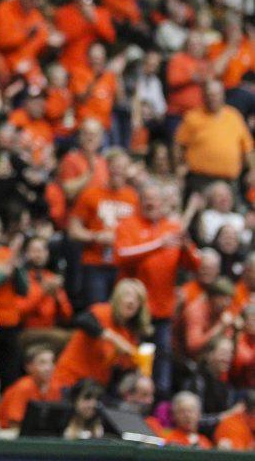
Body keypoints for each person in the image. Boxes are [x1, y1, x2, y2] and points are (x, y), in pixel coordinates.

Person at [114, 183, 199, 395]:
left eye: (155, 199)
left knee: (162, 358)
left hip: (162, 308)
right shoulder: (128, 225)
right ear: (140, 202)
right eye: (147, 198)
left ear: (163, 204)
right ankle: (126, 397)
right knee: (131, 358)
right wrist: (158, 244)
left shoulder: (172, 227)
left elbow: (194, 265)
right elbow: (121, 255)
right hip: (134, 310)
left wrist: (186, 244)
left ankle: (159, 404)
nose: (151, 203)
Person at [51, 278, 151, 391]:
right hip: (70, 379)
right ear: (118, 298)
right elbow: (80, 320)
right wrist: (112, 337)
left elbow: (120, 368)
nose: (131, 301)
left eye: (137, 299)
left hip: (95, 388)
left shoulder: (131, 334)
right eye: (127, 295)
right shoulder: (102, 311)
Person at [68, 148, 139, 305]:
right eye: (114, 166)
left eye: (122, 167)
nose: (118, 171)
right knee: (97, 311)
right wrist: (95, 236)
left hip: (123, 265)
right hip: (95, 263)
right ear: (107, 167)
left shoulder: (134, 197)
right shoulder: (90, 194)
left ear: (128, 170)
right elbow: (73, 230)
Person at [174, 80, 255, 197]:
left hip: (229, 181)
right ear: (203, 96)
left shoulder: (234, 116)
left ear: (222, 95)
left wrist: (253, 171)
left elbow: (247, 148)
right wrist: (179, 167)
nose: (212, 98)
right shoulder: (193, 117)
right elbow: (179, 145)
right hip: (200, 180)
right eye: (209, 94)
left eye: (216, 94)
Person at [0, 345, 59, 430]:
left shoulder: (54, 387)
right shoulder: (23, 387)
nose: (49, 368)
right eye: (42, 363)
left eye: (52, 362)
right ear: (29, 366)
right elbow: (14, 425)